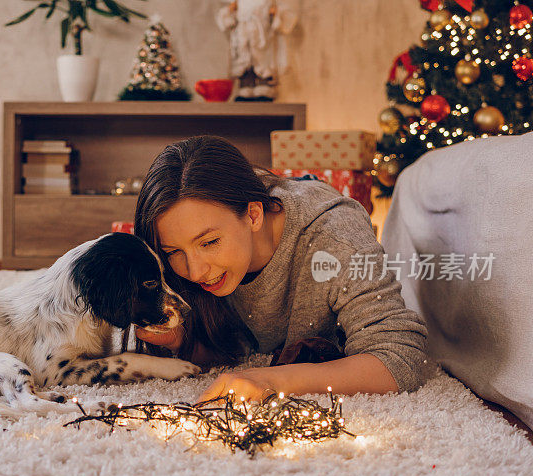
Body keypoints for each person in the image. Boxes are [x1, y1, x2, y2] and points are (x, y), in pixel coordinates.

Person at [133, 135, 430, 403]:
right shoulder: (187, 260)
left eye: (209, 242)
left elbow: (400, 359)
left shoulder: (336, 238)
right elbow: (233, 346)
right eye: (174, 252)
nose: (195, 272)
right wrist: (182, 342)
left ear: (253, 215)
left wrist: (270, 380)